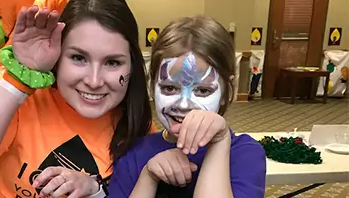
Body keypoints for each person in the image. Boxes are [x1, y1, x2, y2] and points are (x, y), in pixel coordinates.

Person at [0, 1, 154, 198]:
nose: (94, 81)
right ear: (58, 57)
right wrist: (18, 80)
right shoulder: (24, 94)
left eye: (113, 62)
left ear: (132, 67)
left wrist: (96, 190)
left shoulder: (138, 124)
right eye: (78, 58)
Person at [107, 16, 267, 198]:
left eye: (203, 90)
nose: (183, 104)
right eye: (169, 88)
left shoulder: (244, 154)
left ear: (226, 93)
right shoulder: (132, 154)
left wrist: (220, 142)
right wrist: (148, 177)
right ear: (152, 87)